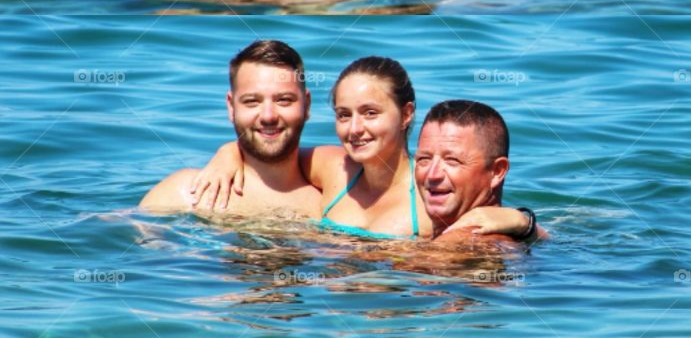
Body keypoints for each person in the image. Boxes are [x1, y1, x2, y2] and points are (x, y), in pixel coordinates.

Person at [192, 54, 532, 240]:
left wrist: (523, 221)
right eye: (343, 115)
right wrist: (229, 152)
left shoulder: (431, 192)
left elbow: (485, 216)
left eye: (370, 113)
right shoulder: (334, 167)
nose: (355, 129)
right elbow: (274, 148)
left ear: (406, 114)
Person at [140, 40, 323, 217]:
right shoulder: (186, 194)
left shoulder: (332, 202)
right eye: (252, 101)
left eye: (283, 100)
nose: (268, 116)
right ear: (231, 107)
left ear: (306, 106)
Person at [414, 99, 541, 241]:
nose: (432, 175)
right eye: (424, 159)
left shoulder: (472, 242)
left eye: (452, 160)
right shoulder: (517, 231)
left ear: (497, 171)